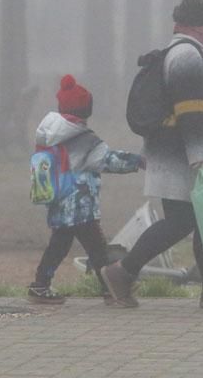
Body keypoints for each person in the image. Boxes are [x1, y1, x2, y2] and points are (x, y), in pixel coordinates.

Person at [102, 0, 203, 309]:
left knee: (202, 222)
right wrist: (199, 158)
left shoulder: (198, 53)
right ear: (202, 25)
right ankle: (122, 272)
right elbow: (190, 110)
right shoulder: (187, 55)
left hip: (189, 157)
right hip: (186, 159)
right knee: (181, 222)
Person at [28, 74, 144, 305]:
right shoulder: (84, 139)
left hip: (59, 200)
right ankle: (111, 289)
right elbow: (106, 160)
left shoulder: (51, 135)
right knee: (96, 249)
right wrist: (137, 161)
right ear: (86, 110)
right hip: (80, 204)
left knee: (65, 247)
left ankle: (42, 285)